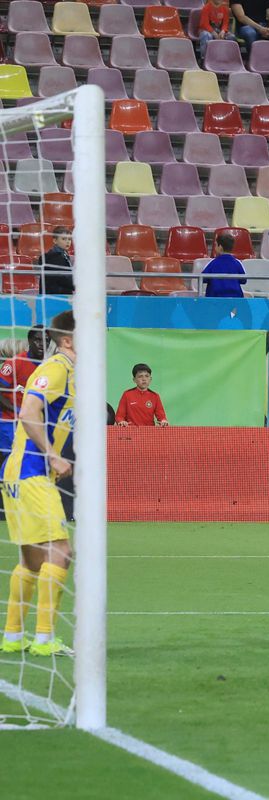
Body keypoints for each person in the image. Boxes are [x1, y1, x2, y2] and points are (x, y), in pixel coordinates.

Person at [0, 311, 76, 658]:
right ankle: (44, 640)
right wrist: (52, 456)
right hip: (31, 470)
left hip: (21, 472)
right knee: (61, 551)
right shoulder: (56, 368)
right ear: (68, 340)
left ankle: (13, 636)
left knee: (32, 560)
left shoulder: (71, 373)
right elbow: (28, 412)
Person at [0, 326, 45, 465]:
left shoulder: (47, 366)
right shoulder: (15, 363)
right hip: (8, 421)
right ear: (30, 341)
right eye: (37, 340)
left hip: (30, 422)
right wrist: (18, 411)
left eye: (46, 340)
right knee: (10, 459)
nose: (42, 344)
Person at [202, 231, 247, 298]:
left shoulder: (212, 263)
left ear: (220, 247)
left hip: (214, 299)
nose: (215, 247)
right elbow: (243, 280)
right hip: (235, 298)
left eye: (215, 245)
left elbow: (203, 278)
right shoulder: (237, 263)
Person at [40, 227, 73, 296]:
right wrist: (78, 285)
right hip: (55, 296)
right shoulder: (54, 257)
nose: (68, 242)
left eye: (69, 239)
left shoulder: (63, 254)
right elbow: (63, 278)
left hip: (61, 293)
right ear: (55, 241)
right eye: (64, 239)